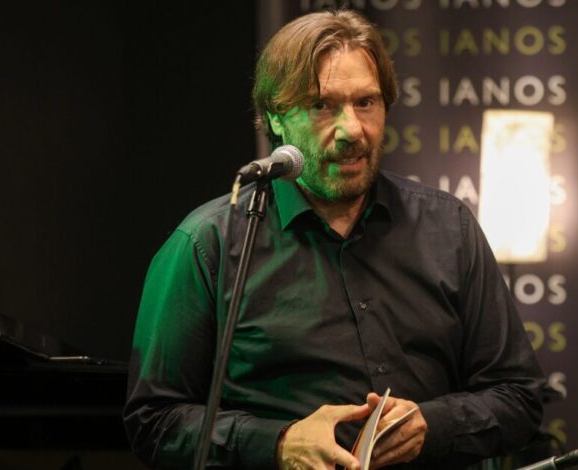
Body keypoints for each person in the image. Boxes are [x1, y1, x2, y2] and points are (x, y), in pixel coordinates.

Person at [123, 9, 545, 470]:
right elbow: (153, 421)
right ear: (275, 118)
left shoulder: (450, 228)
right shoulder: (209, 243)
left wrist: (433, 425)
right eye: (322, 106)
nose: (352, 130)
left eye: (366, 102)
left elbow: (519, 397)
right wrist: (279, 443)